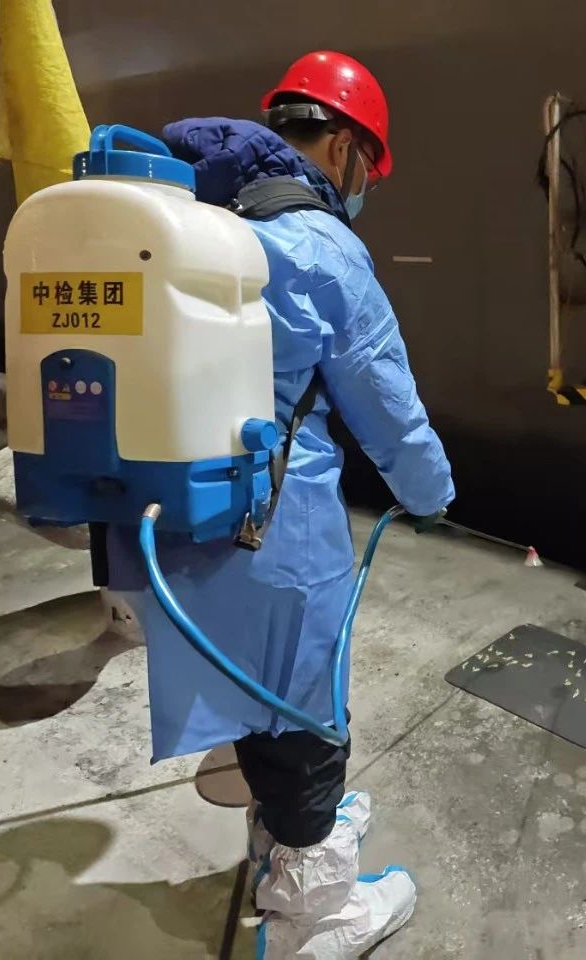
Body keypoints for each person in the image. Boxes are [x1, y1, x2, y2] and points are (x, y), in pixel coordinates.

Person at [105, 51, 454, 959]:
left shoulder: (197, 218)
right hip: (274, 528)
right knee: (303, 712)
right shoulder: (321, 245)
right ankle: (313, 913)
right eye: (368, 169)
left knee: (255, 701)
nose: (364, 188)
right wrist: (432, 494)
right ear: (342, 147)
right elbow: (387, 405)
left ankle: (287, 840)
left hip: (169, 524)